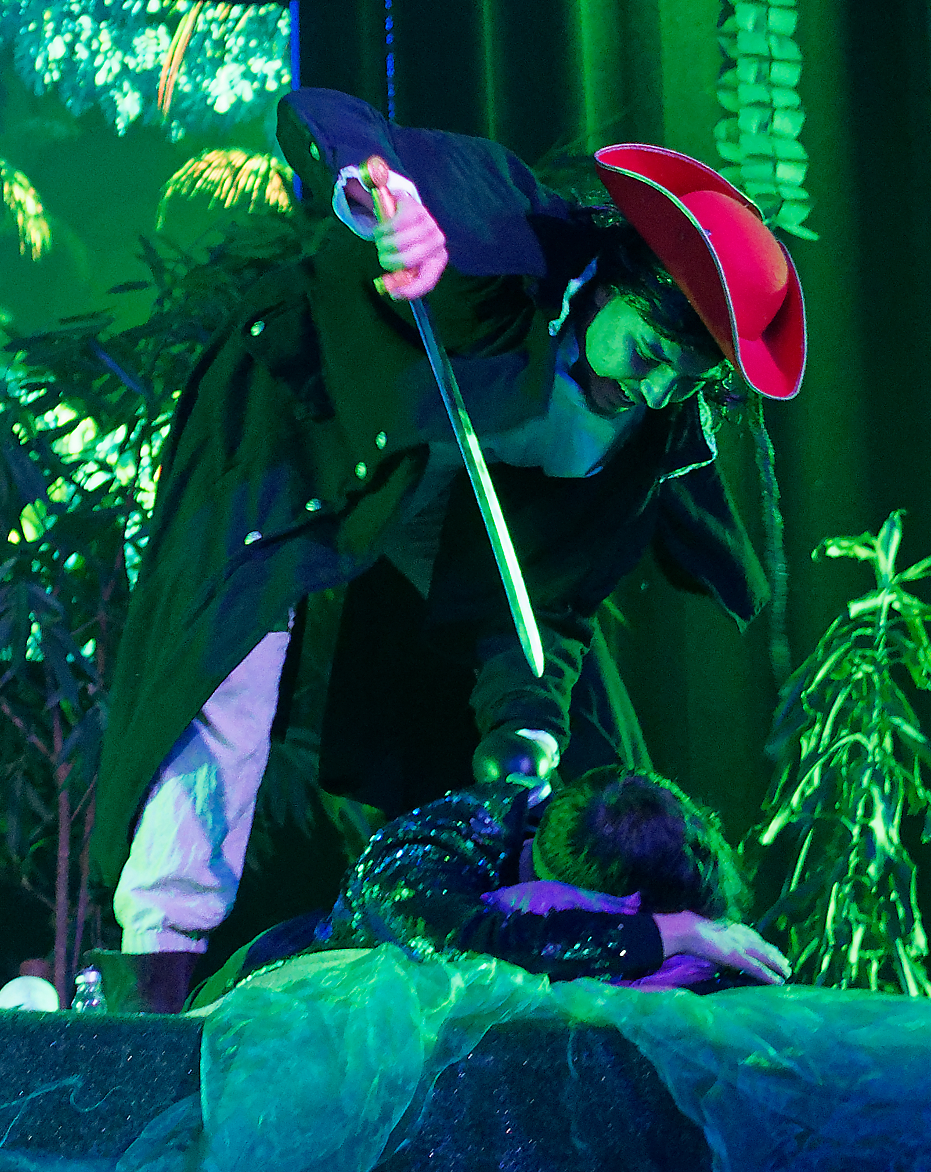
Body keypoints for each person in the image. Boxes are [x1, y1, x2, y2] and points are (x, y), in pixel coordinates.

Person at [85, 88, 807, 1011]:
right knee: (229, 671)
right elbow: (333, 122)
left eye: (688, 379)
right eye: (649, 352)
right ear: (610, 287)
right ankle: (155, 972)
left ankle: (620, 958)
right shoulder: (507, 241)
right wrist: (385, 203)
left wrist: (525, 730)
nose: (657, 390)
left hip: (447, 489)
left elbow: (548, 599)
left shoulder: (647, 436)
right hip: (308, 430)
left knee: (578, 741)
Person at [192, 767, 791, 1006]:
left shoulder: (610, 833)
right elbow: (476, 946)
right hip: (269, 1008)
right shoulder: (417, 864)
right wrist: (667, 936)